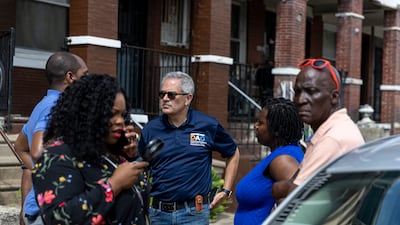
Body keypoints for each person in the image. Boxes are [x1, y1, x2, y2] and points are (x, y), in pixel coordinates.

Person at [32, 74, 149, 224]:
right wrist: (113, 186)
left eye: (123, 115)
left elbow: (139, 204)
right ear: (88, 114)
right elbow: (59, 218)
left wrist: (132, 158)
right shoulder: (57, 157)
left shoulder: (113, 154)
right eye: (112, 114)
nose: (120, 121)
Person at [138, 71, 240, 225]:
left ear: (188, 98)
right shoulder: (150, 129)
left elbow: (233, 153)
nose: (165, 99)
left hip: (194, 214)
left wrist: (226, 191)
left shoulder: (207, 125)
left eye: (171, 95)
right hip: (159, 214)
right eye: (162, 94)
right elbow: (140, 166)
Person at [272, 58, 365, 202]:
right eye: (297, 92)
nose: (300, 100)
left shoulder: (333, 138)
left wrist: (276, 189)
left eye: (311, 91)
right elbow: (294, 183)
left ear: (334, 97)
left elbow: (293, 199)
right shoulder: (332, 129)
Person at [14, 51, 88, 225]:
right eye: (85, 75)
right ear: (70, 77)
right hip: (49, 211)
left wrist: (40, 171)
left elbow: (20, 146)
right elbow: (35, 151)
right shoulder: (55, 107)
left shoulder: (42, 105)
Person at [234, 97, 304, 225]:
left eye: (260, 123)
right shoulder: (281, 154)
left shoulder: (283, 160)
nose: (255, 126)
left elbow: (299, 203)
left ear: (277, 130)